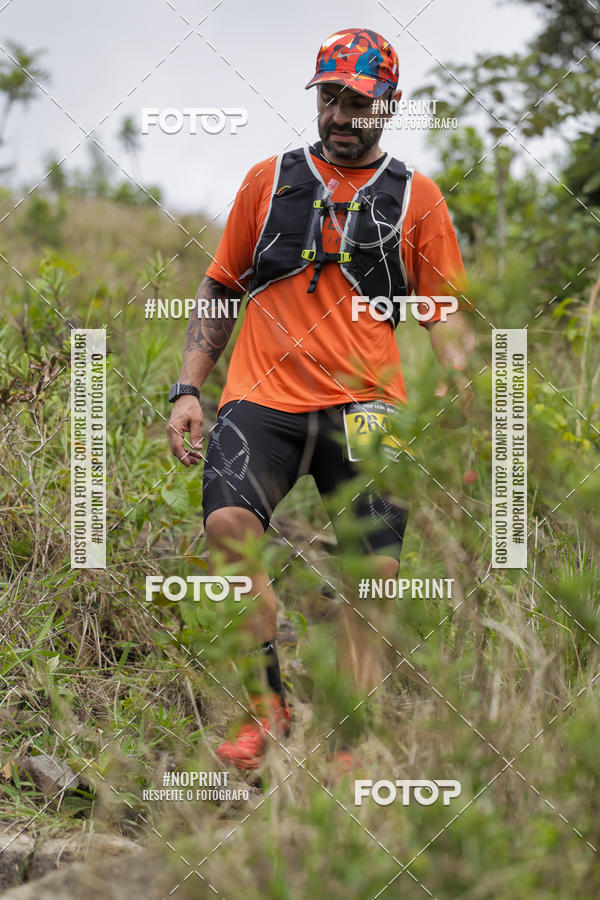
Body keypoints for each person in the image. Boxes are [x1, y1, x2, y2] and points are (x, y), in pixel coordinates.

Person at [167, 27, 475, 771]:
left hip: (368, 408)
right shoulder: (267, 182)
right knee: (230, 522)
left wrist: (470, 414)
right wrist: (188, 388)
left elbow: (444, 312)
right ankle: (265, 710)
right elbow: (221, 284)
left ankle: (346, 738)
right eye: (330, 98)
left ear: (389, 105)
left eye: (358, 103)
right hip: (261, 400)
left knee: (376, 572)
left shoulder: (417, 199)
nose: (341, 115)